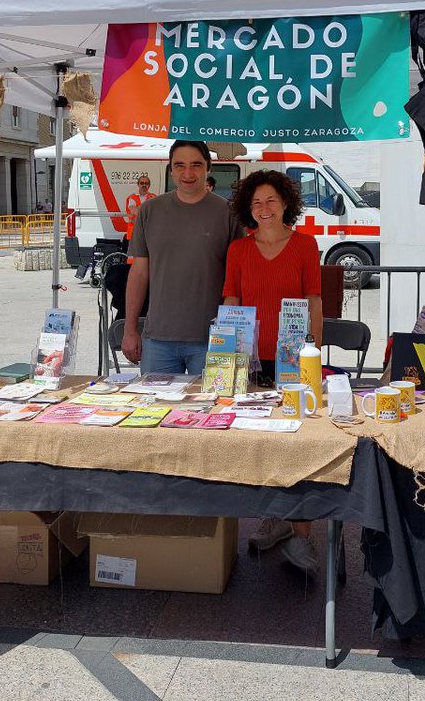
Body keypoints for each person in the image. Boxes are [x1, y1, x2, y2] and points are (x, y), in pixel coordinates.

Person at [222, 170, 323, 574]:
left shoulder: (305, 245)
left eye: (271, 201)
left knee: (297, 444)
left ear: (286, 204)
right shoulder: (238, 250)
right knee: (260, 446)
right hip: (250, 362)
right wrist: (227, 355)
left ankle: (302, 534)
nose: (264, 209)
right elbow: (232, 298)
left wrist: (314, 346)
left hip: (293, 360)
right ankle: (273, 519)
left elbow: (313, 297)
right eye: (256, 203)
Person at [122, 142, 243, 375]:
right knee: (156, 409)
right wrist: (130, 329)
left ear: (208, 167)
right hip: (158, 340)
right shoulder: (149, 211)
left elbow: (237, 279)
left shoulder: (228, 213)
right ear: (171, 169)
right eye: (180, 165)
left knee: (210, 409)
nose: (188, 173)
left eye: (196, 165)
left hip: (213, 339)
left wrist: (236, 334)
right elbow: (139, 274)